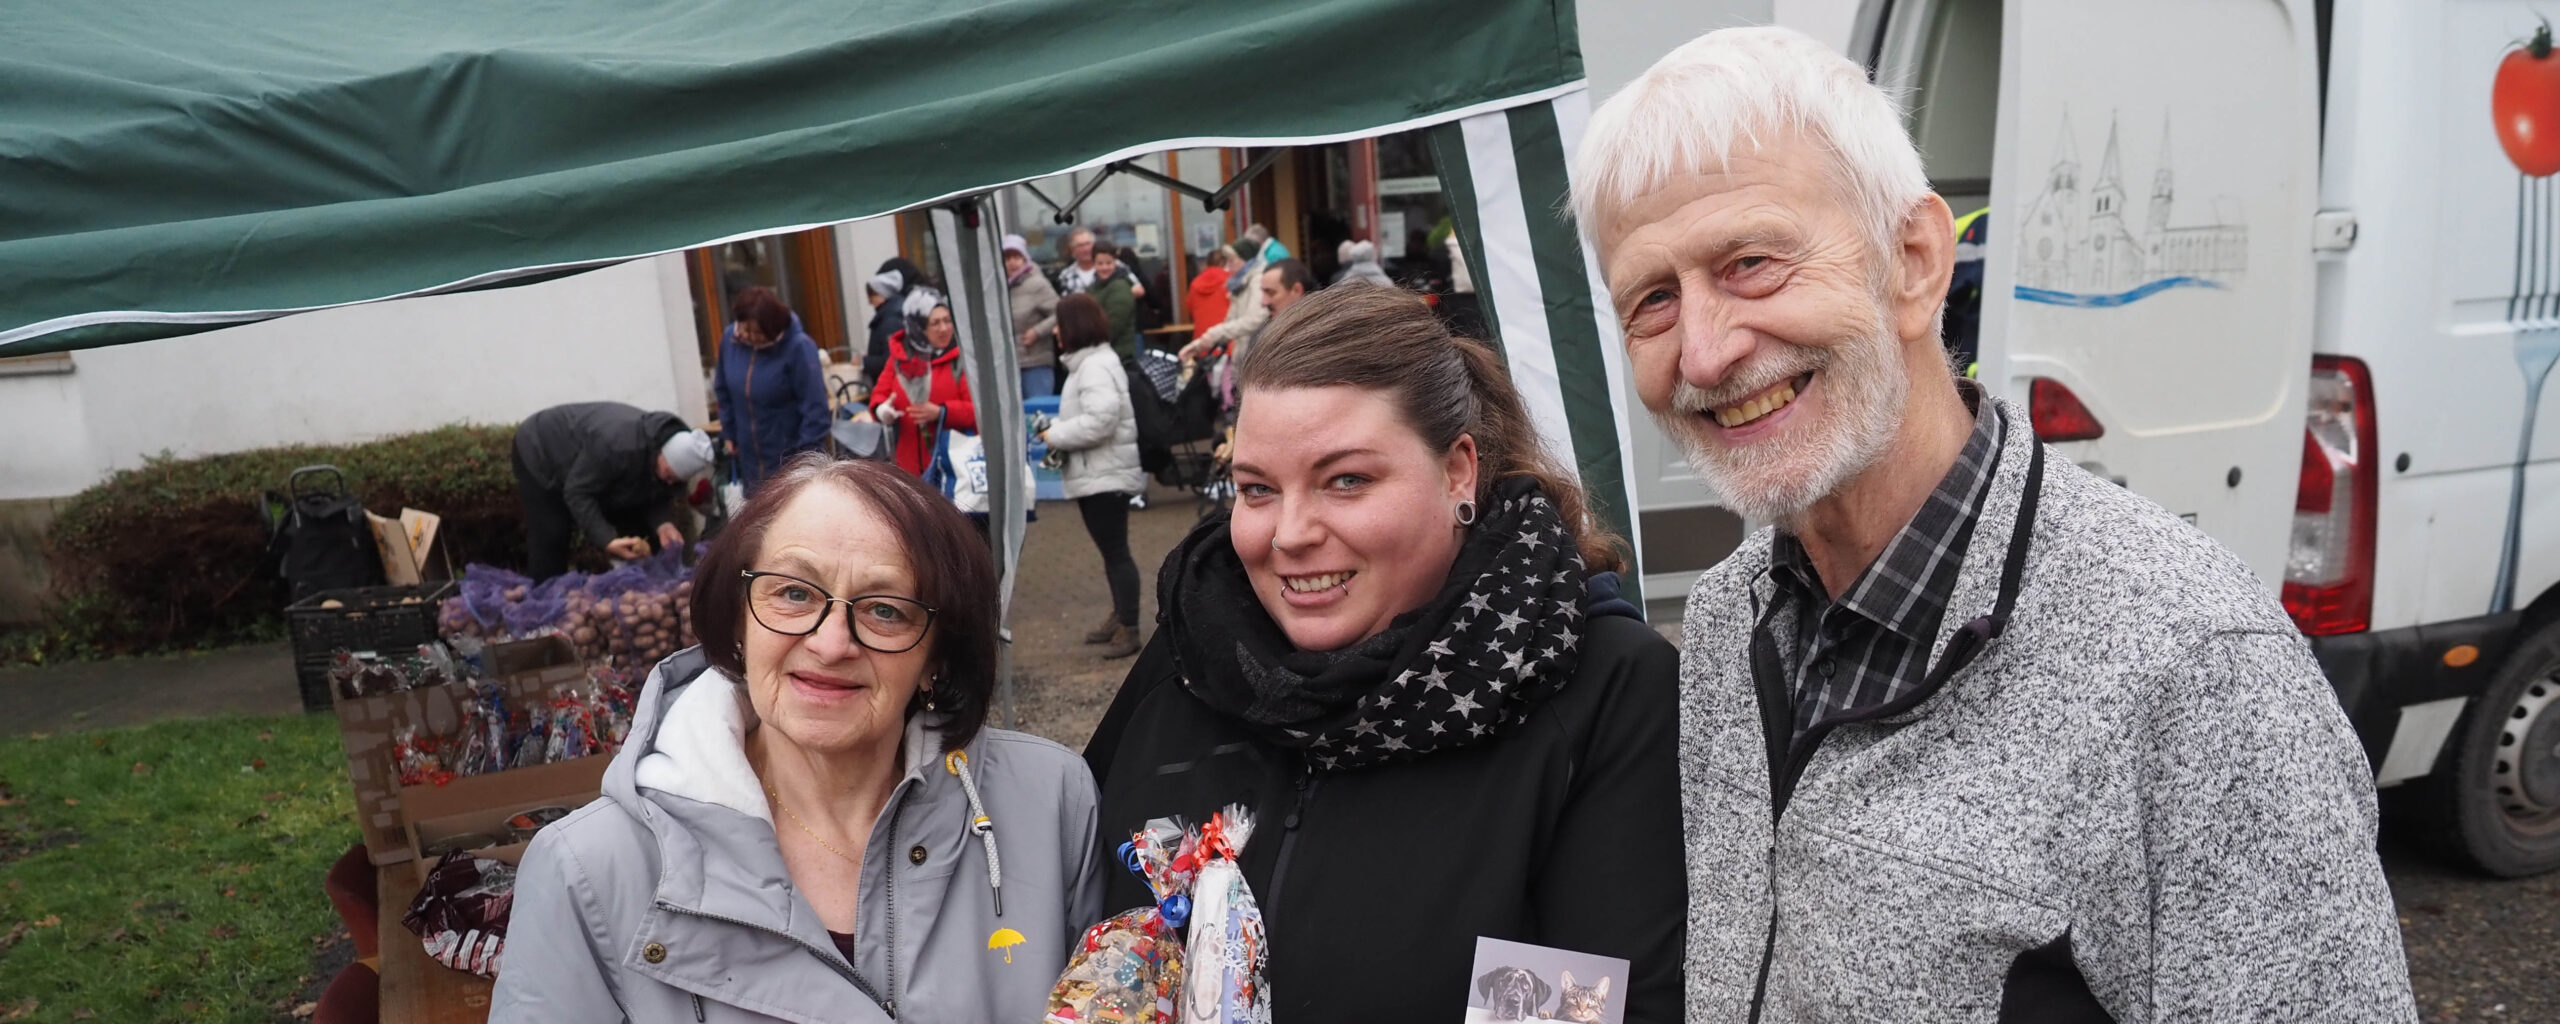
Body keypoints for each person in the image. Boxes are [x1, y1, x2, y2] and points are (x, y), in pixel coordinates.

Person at [1571, 26, 2414, 1022]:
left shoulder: (2193, 667)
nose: (1703, 353)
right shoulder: (1727, 620)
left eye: (1752, 262)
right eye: (1652, 301)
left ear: (1915, 262)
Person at [1083, 286, 1685, 1021]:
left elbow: (1591, 1004)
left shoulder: (1598, 691)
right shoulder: (1191, 658)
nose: (1291, 533)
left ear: (1457, 470)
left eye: (1347, 481)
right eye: (1256, 488)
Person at [493, 456, 1106, 1023]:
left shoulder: (1048, 803)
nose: (831, 642)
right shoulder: (589, 871)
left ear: (937, 657)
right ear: (738, 618)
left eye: (885, 609)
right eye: (793, 593)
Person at [1036, 294, 1145, 659]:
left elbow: (1102, 419)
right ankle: (1120, 616)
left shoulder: (1094, 366)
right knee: (1112, 552)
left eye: (1059, 323)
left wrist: (1056, 435)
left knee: (1116, 552)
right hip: (1099, 472)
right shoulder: (1089, 364)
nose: (1054, 331)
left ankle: (1129, 627)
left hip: (1104, 474)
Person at [511, 401, 711, 581]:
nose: (668, 480)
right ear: (660, 452)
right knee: (553, 532)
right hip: (540, 451)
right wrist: (606, 539)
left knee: (638, 530)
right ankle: (542, 611)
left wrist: (662, 524)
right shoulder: (617, 446)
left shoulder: (659, 458)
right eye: (667, 472)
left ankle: (637, 589)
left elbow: (653, 492)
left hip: (591, 469)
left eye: (673, 480)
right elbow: (578, 492)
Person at [711, 286, 831, 492]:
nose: (749, 336)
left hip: (789, 463)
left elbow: (815, 411)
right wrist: (729, 432)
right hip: (749, 462)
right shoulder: (730, 340)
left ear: (773, 327)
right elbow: (723, 390)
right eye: (745, 329)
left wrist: (804, 462)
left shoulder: (798, 347)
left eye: (757, 332)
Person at [867, 289, 976, 478]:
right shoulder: (899, 359)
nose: (944, 328)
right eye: (935, 323)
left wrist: (942, 412)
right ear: (918, 327)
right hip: (908, 468)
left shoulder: (961, 360)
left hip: (952, 468)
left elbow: (977, 411)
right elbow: (878, 396)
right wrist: (883, 411)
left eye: (947, 320)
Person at [1004, 234, 1062, 397]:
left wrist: (1037, 331)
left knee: (1039, 415)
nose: (1012, 263)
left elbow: (1059, 312)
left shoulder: (1037, 283)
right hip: (1009, 366)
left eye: (1016, 257)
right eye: (1007, 258)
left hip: (1036, 363)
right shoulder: (998, 288)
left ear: (1025, 258)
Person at [862, 257, 931, 385]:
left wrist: (864, 362)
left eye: (872, 295)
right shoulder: (894, 313)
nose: (870, 302)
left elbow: (891, 360)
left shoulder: (891, 319)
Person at [1055, 227, 1144, 299]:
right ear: (1072, 250)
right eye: (1080, 245)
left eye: (1088, 244)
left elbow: (1138, 290)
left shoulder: (1115, 265)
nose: (1085, 249)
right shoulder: (1066, 275)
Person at [1085, 247, 1140, 362]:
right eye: (1100, 263)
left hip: (1119, 354)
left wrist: (1090, 342)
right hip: (1099, 353)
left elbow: (1114, 325)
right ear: (1093, 264)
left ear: (1115, 263)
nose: (1104, 267)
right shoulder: (1091, 288)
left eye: (1109, 263)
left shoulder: (1120, 286)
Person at [1187, 245, 1234, 339]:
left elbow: (1190, 308)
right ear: (1223, 262)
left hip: (1201, 340)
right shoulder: (1230, 281)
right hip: (1225, 339)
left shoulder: (1195, 283)